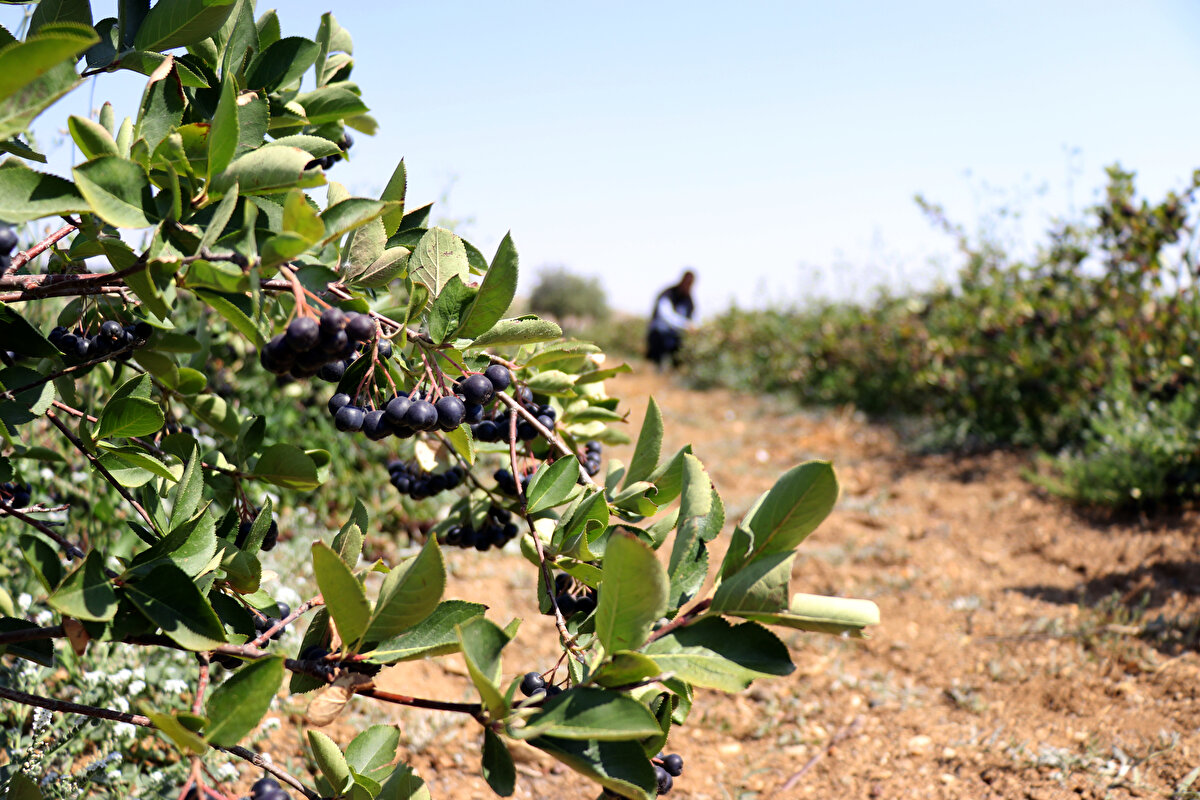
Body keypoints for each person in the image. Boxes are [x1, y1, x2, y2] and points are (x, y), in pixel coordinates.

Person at [645, 270, 696, 370]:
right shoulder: (668, 294)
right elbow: (665, 316)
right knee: (656, 361)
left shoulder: (689, 301)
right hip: (659, 334)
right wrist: (685, 324)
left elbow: (692, 318)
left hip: (676, 338)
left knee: (679, 358)